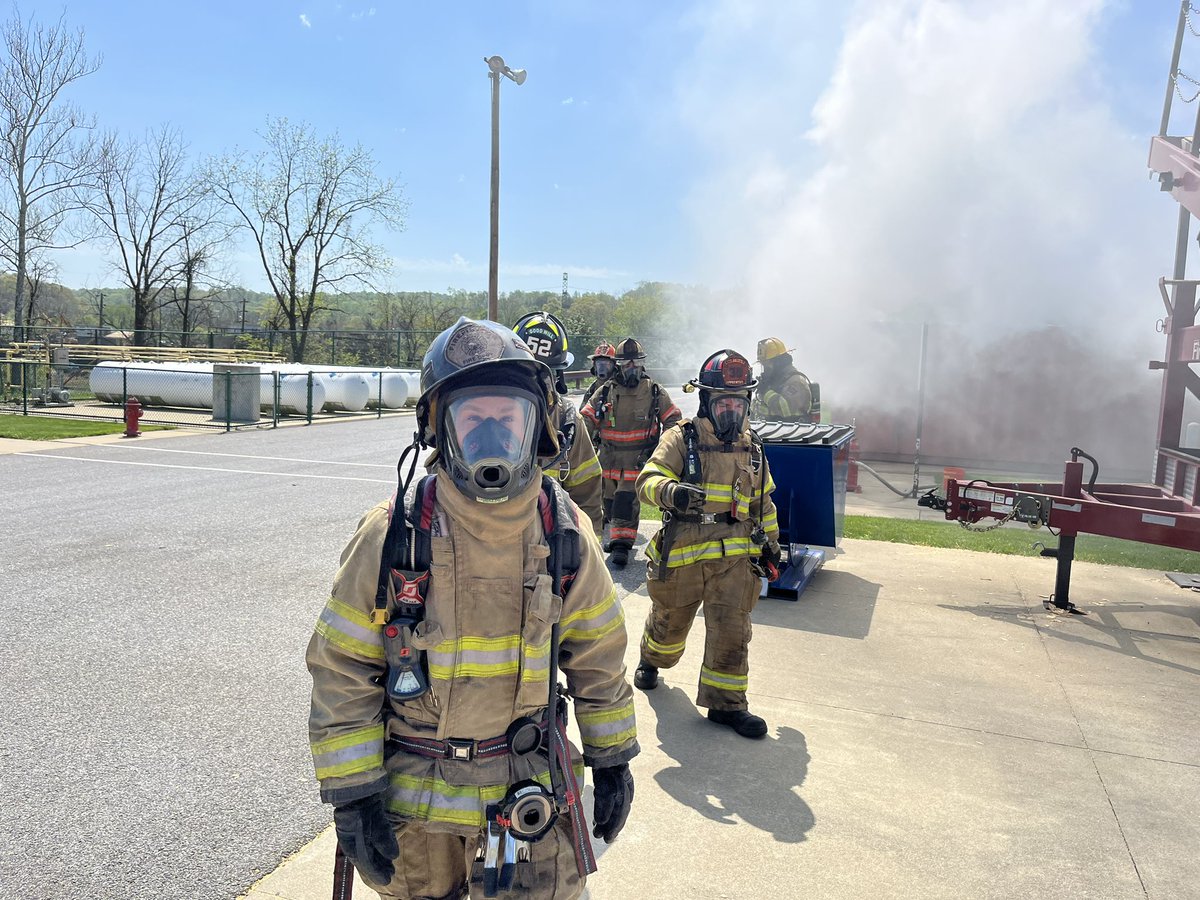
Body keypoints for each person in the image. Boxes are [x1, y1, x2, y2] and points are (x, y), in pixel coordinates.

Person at [307, 317, 638, 900]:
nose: (492, 438)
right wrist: (354, 790)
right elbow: (343, 666)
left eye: (507, 419)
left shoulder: (564, 534)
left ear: (537, 428)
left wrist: (612, 757)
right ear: (439, 428)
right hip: (415, 809)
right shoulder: (393, 534)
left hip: (528, 796)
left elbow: (600, 657)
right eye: (473, 419)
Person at [633, 349, 781, 739]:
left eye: (738, 402)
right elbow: (646, 481)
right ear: (706, 402)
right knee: (669, 630)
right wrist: (672, 492)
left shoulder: (755, 449)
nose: (732, 410)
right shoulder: (681, 438)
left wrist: (771, 544)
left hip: (734, 559)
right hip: (683, 556)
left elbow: (762, 503)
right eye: (724, 402)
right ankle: (650, 658)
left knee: (732, 630)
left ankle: (727, 706)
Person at [579, 337, 681, 568]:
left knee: (626, 500)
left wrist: (666, 451)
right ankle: (614, 536)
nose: (631, 368)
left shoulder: (654, 392)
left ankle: (621, 545)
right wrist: (578, 439)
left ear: (642, 364)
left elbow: (673, 420)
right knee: (609, 502)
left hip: (637, 461)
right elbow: (586, 418)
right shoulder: (605, 392)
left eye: (635, 363)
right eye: (627, 364)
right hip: (607, 460)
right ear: (620, 365)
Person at [513, 311, 604, 538]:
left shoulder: (568, 422)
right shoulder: (484, 412)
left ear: (557, 377)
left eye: (542, 375)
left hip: (549, 553)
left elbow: (587, 495)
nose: (534, 386)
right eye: (523, 374)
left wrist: (586, 555)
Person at [754, 337, 815, 423]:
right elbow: (757, 409)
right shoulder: (774, 382)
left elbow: (785, 409)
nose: (765, 369)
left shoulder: (796, 381)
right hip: (772, 433)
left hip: (793, 434)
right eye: (763, 365)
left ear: (778, 362)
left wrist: (765, 392)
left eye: (767, 365)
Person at [582, 341, 616, 406]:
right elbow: (583, 411)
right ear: (594, 366)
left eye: (607, 363)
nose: (602, 368)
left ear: (614, 366)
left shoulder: (619, 387)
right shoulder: (592, 389)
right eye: (599, 363)